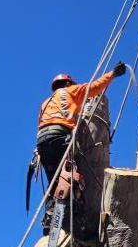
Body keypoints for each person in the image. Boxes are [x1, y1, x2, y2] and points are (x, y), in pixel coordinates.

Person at [35, 63, 126, 233]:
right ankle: (73, 215)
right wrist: (113, 73)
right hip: (59, 135)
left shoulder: (46, 103)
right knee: (71, 175)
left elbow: (42, 124)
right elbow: (94, 87)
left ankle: (50, 218)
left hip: (42, 141)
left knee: (53, 182)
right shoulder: (71, 91)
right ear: (68, 83)